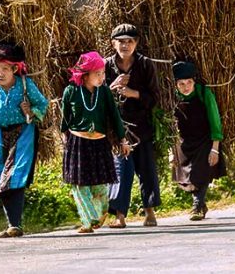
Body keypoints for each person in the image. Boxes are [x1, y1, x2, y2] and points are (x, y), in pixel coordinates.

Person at [0, 42, 49, 238]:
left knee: (15, 175)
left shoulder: (25, 85)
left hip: (22, 133)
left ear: (14, 69)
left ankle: (14, 224)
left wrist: (30, 111)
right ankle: (12, 224)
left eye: (4, 69)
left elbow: (42, 104)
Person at [62, 51, 131, 233]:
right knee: (79, 184)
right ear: (85, 75)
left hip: (99, 143)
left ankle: (99, 215)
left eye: (103, 73)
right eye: (97, 74)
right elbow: (65, 121)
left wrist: (123, 140)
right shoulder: (71, 91)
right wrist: (66, 142)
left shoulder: (105, 92)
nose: (102, 77)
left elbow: (115, 118)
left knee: (100, 183)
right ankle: (87, 221)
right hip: (77, 143)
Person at [105, 23, 161, 228]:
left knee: (146, 169)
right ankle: (120, 216)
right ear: (113, 44)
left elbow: (155, 97)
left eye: (129, 41)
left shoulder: (145, 65)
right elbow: (98, 96)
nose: (125, 45)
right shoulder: (105, 66)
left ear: (136, 43)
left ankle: (150, 211)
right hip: (117, 128)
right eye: (120, 41)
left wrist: (132, 93)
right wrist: (112, 88)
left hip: (141, 126)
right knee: (121, 170)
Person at [171, 60, 226, 220]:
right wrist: (172, 150)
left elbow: (215, 120)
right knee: (185, 179)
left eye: (189, 82)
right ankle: (201, 205)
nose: (186, 87)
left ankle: (196, 207)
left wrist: (215, 147)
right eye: (181, 84)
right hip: (184, 142)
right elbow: (170, 124)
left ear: (194, 81)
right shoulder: (173, 97)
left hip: (204, 140)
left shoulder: (204, 93)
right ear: (175, 85)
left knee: (200, 172)